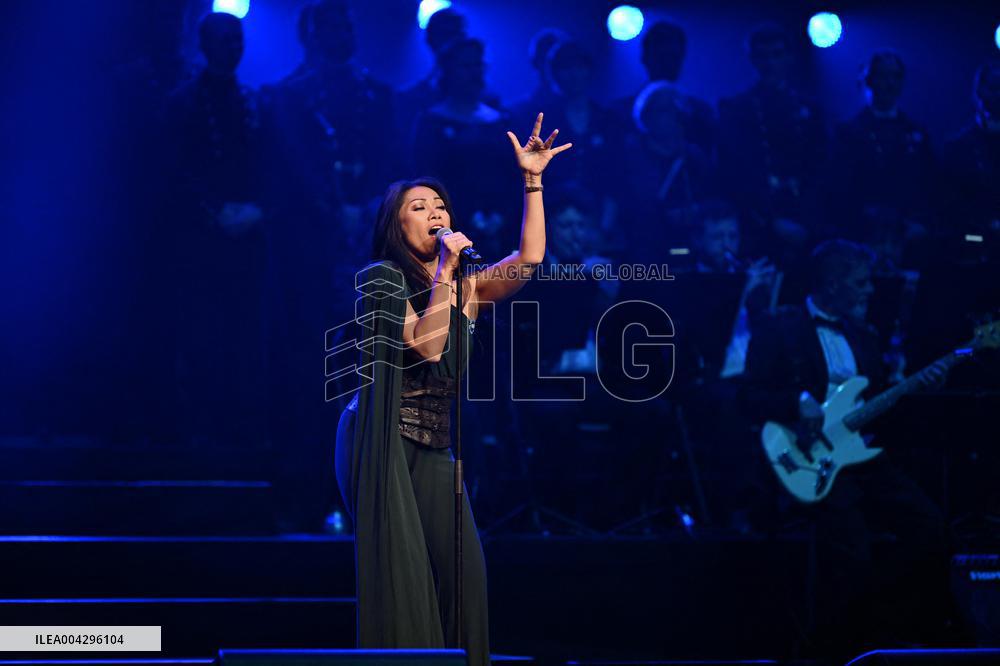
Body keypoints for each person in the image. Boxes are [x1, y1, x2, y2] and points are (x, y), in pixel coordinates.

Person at [335, 114, 571, 665]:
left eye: (439, 205)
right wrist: (446, 267)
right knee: (406, 574)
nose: (434, 212)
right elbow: (427, 346)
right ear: (395, 229)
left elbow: (530, 259)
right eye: (418, 208)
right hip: (381, 441)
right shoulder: (380, 280)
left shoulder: (464, 283)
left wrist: (532, 182)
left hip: (435, 442)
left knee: (465, 576)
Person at [741, 239, 951, 655]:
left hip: (860, 457)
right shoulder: (780, 328)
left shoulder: (866, 337)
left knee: (933, 531)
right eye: (861, 283)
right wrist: (795, 401)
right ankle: (837, 646)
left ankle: (880, 624)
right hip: (807, 460)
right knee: (851, 547)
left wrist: (911, 389)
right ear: (834, 284)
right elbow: (747, 398)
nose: (871, 291)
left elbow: (872, 407)